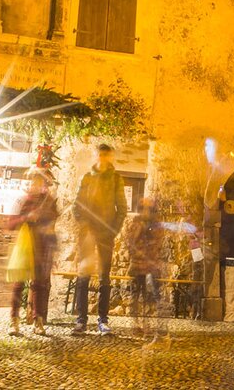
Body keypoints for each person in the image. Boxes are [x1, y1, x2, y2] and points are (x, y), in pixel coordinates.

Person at [71, 143, 127, 334]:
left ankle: (103, 320)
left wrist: (112, 231)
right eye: (100, 155)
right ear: (96, 156)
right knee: (83, 276)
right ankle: (81, 320)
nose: (103, 158)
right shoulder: (87, 178)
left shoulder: (116, 179)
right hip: (87, 234)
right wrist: (84, 226)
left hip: (105, 234)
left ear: (110, 157)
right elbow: (76, 206)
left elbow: (122, 209)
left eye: (106, 155)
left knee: (104, 277)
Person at [6, 168, 59, 335]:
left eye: (39, 181)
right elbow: (10, 224)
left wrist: (53, 249)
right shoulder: (23, 200)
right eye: (34, 180)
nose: (36, 184)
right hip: (25, 244)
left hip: (42, 246)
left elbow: (52, 225)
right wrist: (27, 218)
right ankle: (14, 320)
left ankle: (38, 320)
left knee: (39, 285)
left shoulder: (49, 201)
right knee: (19, 283)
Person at [122, 197, 163, 319]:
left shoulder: (154, 225)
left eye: (149, 209)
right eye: (144, 209)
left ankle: (146, 321)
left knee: (148, 295)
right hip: (138, 265)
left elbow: (157, 244)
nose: (146, 212)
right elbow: (131, 243)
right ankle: (135, 321)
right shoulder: (136, 224)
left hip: (149, 266)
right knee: (135, 292)